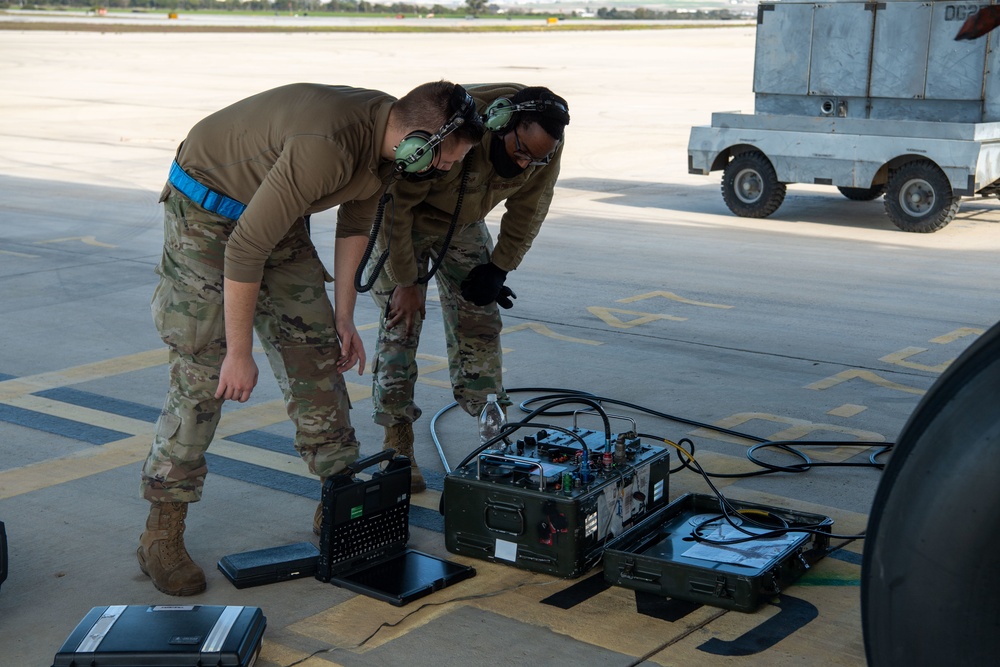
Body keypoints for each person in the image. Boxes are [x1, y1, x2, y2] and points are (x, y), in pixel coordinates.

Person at [138, 80, 485, 596]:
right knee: (204, 373)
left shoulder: (393, 150)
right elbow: (245, 249)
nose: (445, 170)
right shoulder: (329, 146)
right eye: (442, 160)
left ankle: (340, 503)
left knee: (319, 358)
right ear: (418, 140)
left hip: (274, 213)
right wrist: (239, 353)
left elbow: (355, 223)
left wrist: (343, 317)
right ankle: (161, 532)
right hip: (207, 214)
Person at [365, 84, 570, 492]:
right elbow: (395, 206)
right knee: (401, 324)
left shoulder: (545, 141)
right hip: (401, 222)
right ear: (500, 124)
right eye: (520, 152)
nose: (526, 163)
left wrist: (499, 267)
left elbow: (532, 205)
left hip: (462, 224)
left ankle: (489, 432)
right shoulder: (451, 128)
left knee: (481, 318)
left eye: (537, 157)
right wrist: (407, 281)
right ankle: (398, 441)